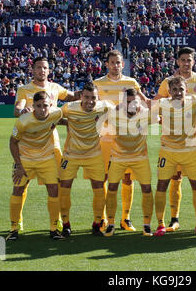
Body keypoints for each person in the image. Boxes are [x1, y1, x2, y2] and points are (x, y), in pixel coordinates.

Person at [13, 56, 80, 232]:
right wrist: (22, 110)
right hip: (28, 146)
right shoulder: (24, 89)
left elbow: (74, 96)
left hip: (52, 144)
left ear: (49, 70)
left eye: (45, 68)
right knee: (22, 183)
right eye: (38, 67)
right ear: (32, 70)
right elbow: (17, 109)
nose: (42, 70)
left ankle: (58, 222)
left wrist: (97, 90)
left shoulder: (55, 88)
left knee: (57, 183)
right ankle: (17, 222)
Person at [152, 47, 196, 233]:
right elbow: (156, 105)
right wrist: (161, 124)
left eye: (189, 60)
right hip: (173, 143)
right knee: (175, 178)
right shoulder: (167, 82)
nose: (186, 63)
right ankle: (173, 219)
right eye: (183, 60)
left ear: (194, 61)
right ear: (178, 61)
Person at [93, 50, 145, 232]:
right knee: (105, 178)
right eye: (112, 62)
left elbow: (144, 103)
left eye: (118, 62)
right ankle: (105, 219)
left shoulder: (131, 83)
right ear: (106, 64)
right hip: (106, 138)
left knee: (127, 178)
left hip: (128, 139)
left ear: (123, 64)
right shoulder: (97, 84)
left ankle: (126, 218)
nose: (115, 65)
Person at [7, 91, 65, 241]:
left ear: (50, 105)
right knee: (18, 189)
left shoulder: (56, 114)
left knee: (54, 188)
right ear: (33, 106)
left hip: (46, 158)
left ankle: (54, 228)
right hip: (25, 158)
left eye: (45, 105)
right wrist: (18, 165)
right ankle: (14, 227)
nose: (42, 109)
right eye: (38, 106)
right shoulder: (23, 121)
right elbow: (12, 142)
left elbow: (66, 120)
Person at [59, 82, 114, 236]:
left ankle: (97, 223)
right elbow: (53, 117)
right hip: (71, 155)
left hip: (94, 155)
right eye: (87, 97)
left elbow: (121, 117)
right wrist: (68, 123)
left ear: (98, 98)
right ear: (81, 96)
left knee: (98, 189)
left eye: (93, 98)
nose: (90, 101)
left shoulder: (105, 107)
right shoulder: (69, 108)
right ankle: (66, 224)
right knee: (64, 189)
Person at [104, 88, 154, 237]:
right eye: (128, 102)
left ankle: (146, 225)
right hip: (118, 158)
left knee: (146, 189)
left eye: (134, 101)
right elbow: (95, 116)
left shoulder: (146, 114)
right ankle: (111, 224)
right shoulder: (113, 114)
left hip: (140, 158)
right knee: (112, 188)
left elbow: (165, 115)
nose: (131, 105)